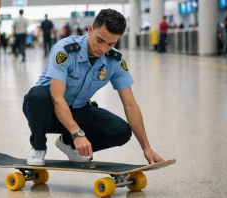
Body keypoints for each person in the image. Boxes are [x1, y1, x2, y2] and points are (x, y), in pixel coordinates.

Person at [22, 9, 164, 166]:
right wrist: (78, 134)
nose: (103, 49)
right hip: (44, 112)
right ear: (90, 30)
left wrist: (146, 147)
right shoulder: (65, 50)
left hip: (77, 110)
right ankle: (38, 147)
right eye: (100, 40)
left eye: (111, 44)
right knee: (38, 95)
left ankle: (68, 144)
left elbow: (130, 105)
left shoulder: (114, 61)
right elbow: (57, 98)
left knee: (121, 131)